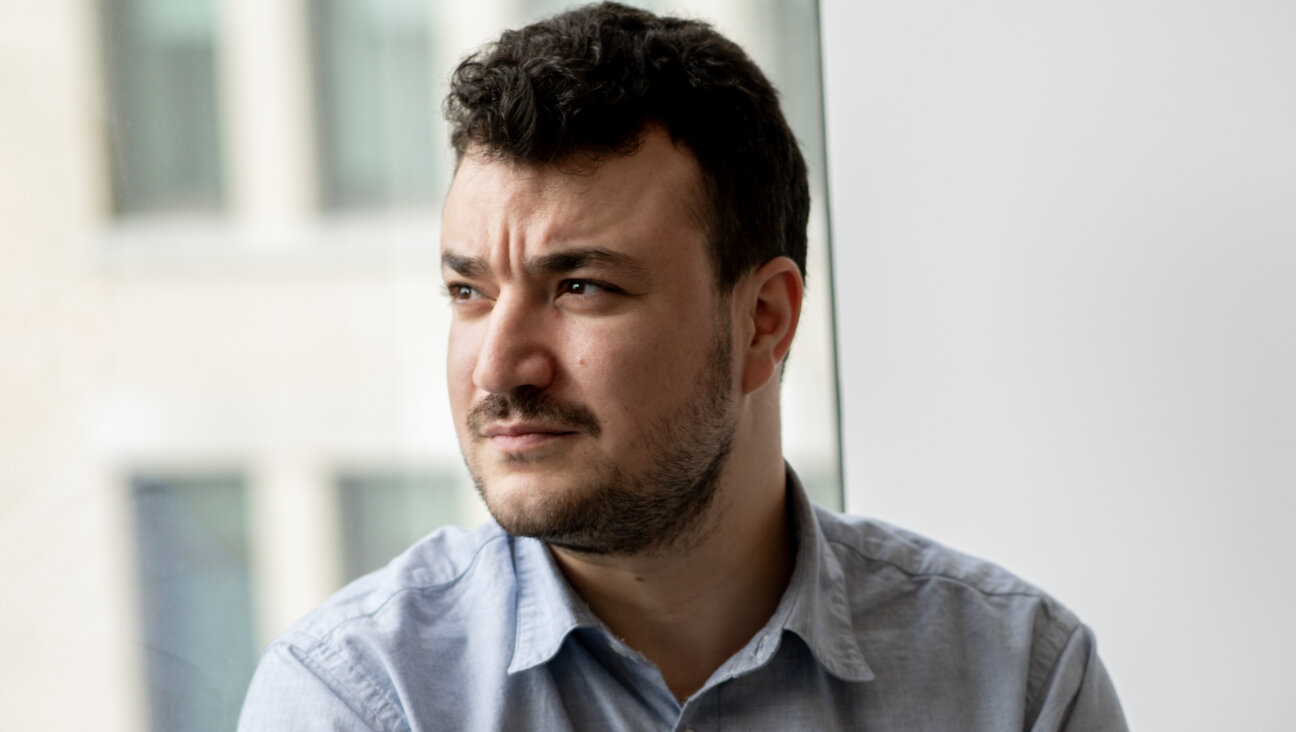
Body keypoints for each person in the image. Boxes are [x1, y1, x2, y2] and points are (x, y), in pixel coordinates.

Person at [238, 3, 1127, 729]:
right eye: (468, 292)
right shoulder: (360, 700)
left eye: (581, 286)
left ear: (763, 322)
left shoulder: (1019, 684)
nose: (499, 365)